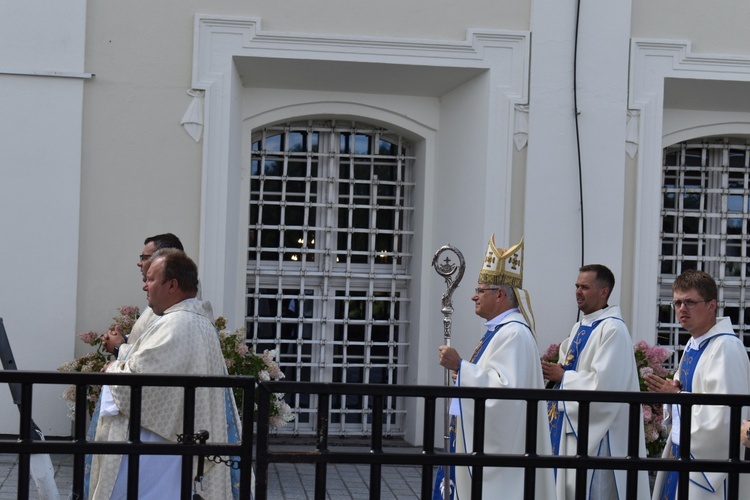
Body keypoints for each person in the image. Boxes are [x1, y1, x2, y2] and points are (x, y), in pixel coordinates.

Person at [88, 249, 241, 499]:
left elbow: (139, 381)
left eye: (150, 279)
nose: (144, 286)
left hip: (157, 446)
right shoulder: (193, 319)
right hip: (175, 440)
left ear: (172, 285)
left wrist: (114, 366)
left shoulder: (177, 324)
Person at [434, 235, 555, 499]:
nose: (473, 296)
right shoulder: (500, 331)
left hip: (502, 466)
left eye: (480, 290)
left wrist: (462, 368)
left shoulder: (514, 335)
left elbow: (506, 398)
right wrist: (464, 373)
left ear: (500, 294)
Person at [541, 264, 650, 500]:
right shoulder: (580, 326)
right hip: (572, 426)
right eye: (577, 286)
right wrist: (557, 372)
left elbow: (606, 388)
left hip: (599, 435)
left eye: (585, 287)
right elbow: (569, 365)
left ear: (604, 292)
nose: (578, 292)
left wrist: (564, 377)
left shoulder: (613, 330)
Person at [644, 269, 750, 499]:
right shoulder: (694, 344)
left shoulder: (726, 348)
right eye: (677, 303)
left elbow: (724, 416)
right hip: (682, 453)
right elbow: (683, 393)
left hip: (705, 467)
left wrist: (677, 396)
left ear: (712, 305)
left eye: (690, 302)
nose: (682, 309)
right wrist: (674, 396)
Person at [101, 233, 184, 356]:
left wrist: (118, 348)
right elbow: (149, 338)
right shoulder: (163, 299)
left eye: (145, 258)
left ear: (163, 259)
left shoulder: (172, 305)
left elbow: (152, 358)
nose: (139, 263)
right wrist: (123, 339)